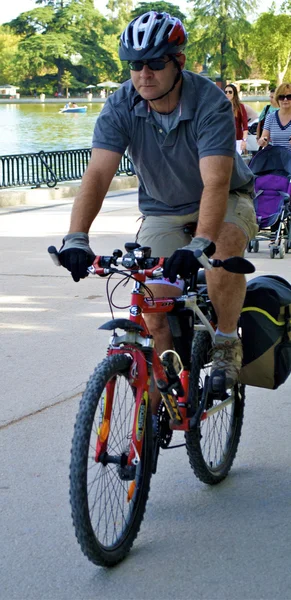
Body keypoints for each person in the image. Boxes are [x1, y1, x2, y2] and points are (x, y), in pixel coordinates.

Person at [57, 11, 257, 412]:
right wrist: (77, 237)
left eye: (155, 63)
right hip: (163, 209)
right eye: (135, 64)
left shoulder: (210, 103)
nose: (143, 73)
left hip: (226, 197)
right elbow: (97, 173)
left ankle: (225, 342)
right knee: (153, 305)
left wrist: (200, 243)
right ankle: (164, 401)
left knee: (222, 251)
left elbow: (216, 182)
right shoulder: (121, 105)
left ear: (178, 62)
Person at [258, 83, 291, 150]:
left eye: (289, 97)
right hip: (276, 158)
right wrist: (262, 141)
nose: (285, 100)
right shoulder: (270, 117)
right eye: (281, 97)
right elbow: (264, 137)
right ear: (277, 99)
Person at [224, 84, 249, 155]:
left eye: (230, 92)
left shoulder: (240, 107)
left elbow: (245, 126)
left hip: (237, 139)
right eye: (225, 92)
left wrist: (244, 141)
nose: (227, 94)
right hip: (225, 139)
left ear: (234, 93)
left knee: (236, 161)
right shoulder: (222, 107)